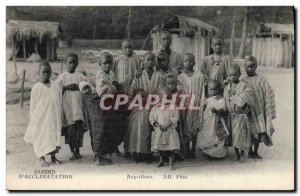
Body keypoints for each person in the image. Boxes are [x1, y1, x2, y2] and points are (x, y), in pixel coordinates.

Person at [24, 62, 62, 167]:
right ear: (39, 73)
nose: (46, 74)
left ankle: (53, 157)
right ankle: (41, 158)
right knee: (41, 137)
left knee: (52, 137)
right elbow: (33, 105)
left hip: (53, 117)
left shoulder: (54, 85)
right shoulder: (37, 87)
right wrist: (34, 120)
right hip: (41, 119)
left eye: (48, 72)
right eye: (44, 72)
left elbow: (58, 100)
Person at [56, 52, 90, 160]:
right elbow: (56, 89)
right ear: (65, 63)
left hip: (78, 106)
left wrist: (81, 86)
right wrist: (66, 88)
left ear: (77, 64)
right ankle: (72, 150)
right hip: (68, 107)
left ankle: (78, 150)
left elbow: (87, 86)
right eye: (70, 62)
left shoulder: (80, 76)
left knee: (78, 128)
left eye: (74, 63)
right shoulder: (62, 76)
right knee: (70, 129)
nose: (72, 65)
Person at [241, 55, 276, 159]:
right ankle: (250, 151)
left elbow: (269, 92)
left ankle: (255, 151)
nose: (250, 69)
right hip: (248, 111)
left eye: (252, 66)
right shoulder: (243, 80)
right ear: (244, 67)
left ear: (256, 66)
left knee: (260, 131)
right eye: (248, 67)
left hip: (259, 111)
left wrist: (267, 108)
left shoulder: (262, 79)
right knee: (249, 131)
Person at [95, 51, 126, 164]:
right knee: (107, 126)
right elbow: (100, 90)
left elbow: (116, 84)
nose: (108, 65)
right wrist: (113, 86)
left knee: (117, 123)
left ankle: (113, 147)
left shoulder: (112, 74)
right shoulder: (100, 74)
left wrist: (117, 86)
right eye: (105, 63)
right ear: (100, 64)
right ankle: (103, 153)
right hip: (106, 101)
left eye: (110, 63)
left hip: (114, 101)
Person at [177, 53, 206, 159]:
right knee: (185, 126)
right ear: (183, 62)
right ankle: (186, 149)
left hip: (196, 104)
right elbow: (178, 93)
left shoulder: (199, 75)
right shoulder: (180, 77)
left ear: (194, 62)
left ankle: (193, 149)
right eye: (185, 60)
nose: (188, 63)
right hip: (185, 105)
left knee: (195, 126)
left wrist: (202, 103)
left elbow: (202, 90)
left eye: (190, 60)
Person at [223, 65, 252, 163]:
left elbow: (245, 99)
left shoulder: (244, 85)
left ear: (239, 75)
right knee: (233, 135)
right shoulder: (227, 87)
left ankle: (243, 153)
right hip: (231, 115)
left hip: (240, 116)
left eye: (234, 75)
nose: (232, 77)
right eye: (230, 75)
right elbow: (225, 100)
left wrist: (234, 97)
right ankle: (237, 154)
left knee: (241, 135)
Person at [149, 87, 180, 170]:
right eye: (163, 97)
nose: (165, 99)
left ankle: (171, 163)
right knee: (161, 148)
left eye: (167, 97)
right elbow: (152, 118)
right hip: (160, 130)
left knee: (171, 148)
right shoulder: (155, 108)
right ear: (159, 97)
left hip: (170, 130)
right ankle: (161, 161)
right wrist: (159, 126)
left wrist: (167, 125)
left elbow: (175, 117)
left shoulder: (173, 107)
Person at [196, 80, 229, 159]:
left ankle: (216, 154)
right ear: (207, 90)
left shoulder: (220, 100)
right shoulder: (206, 100)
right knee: (207, 135)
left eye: (215, 89)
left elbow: (223, 109)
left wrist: (217, 111)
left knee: (216, 137)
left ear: (218, 90)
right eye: (210, 90)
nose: (213, 91)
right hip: (207, 122)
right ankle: (208, 153)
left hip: (216, 122)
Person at [127, 89, 153, 163]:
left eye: (144, 96)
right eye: (139, 97)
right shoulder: (133, 107)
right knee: (135, 140)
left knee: (146, 141)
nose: (142, 99)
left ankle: (146, 155)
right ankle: (136, 155)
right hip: (135, 129)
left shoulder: (149, 107)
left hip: (145, 129)